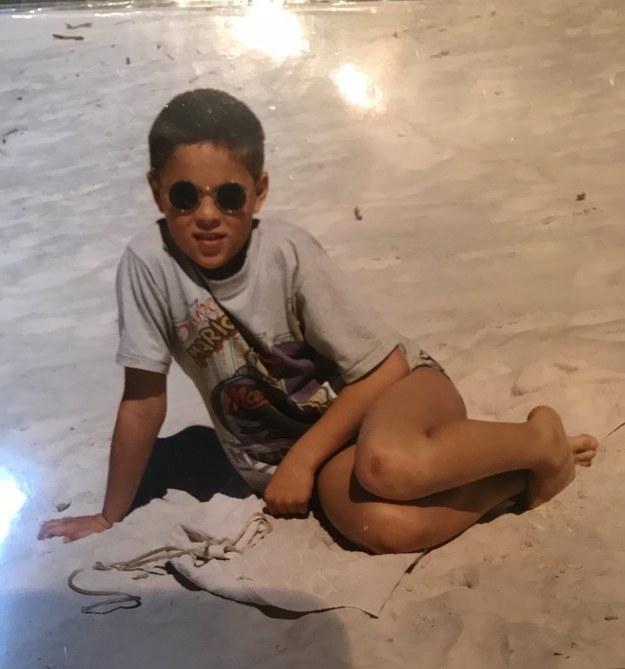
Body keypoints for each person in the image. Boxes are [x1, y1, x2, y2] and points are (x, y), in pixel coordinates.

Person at [38, 89, 598, 554]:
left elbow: (385, 367)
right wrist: (111, 516)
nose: (206, 214)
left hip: (395, 388)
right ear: (156, 189)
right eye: (185, 196)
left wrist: (302, 460)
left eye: (228, 196)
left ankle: (535, 436)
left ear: (258, 191)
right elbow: (142, 399)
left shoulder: (286, 253)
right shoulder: (147, 265)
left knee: (388, 464)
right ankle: (517, 475)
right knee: (384, 528)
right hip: (315, 445)